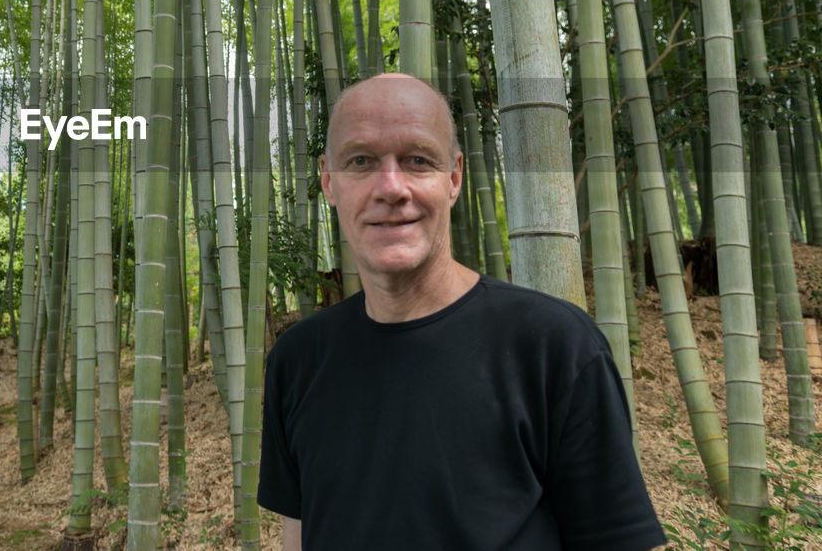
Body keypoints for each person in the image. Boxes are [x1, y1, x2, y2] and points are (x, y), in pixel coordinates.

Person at [257, 73, 665, 550]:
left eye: (417, 160)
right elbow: (298, 537)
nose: (391, 187)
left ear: (453, 178)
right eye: (361, 161)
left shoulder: (553, 345)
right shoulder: (298, 359)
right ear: (329, 182)